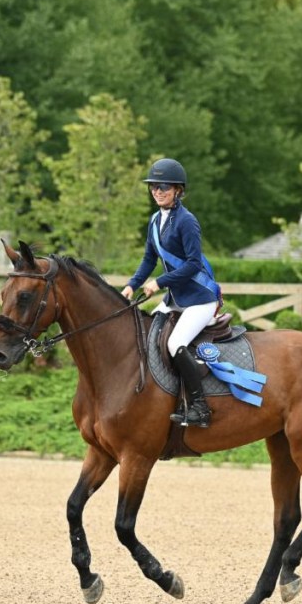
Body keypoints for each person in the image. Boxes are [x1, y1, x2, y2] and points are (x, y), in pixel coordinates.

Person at [121, 158, 221, 428]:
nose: (157, 191)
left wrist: (160, 282)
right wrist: (132, 283)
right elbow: (148, 259)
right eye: (153, 186)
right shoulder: (155, 220)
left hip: (198, 300)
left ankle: (200, 407)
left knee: (174, 344)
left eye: (163, 186)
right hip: (175, 300)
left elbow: (192, 264)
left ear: (178, 189)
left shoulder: (187, 221)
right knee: (144, 335)